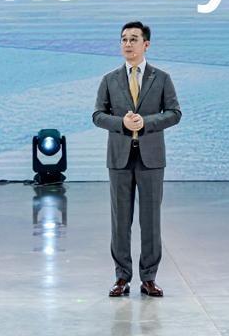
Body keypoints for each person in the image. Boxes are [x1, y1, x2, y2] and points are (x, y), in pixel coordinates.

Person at [92, 21, 181, 297]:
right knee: (120, 221)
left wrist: (145, 123)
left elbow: (174, 113)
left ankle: (149, 278)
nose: (127, 44)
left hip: (151, 159)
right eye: (123, 39)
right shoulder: (109, 79)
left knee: (150, 221)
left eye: (133, 39)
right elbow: (98, 115)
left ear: (146, 44)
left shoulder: (161, 78)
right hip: (119, 159)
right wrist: (122, 123)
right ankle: (122, 277)